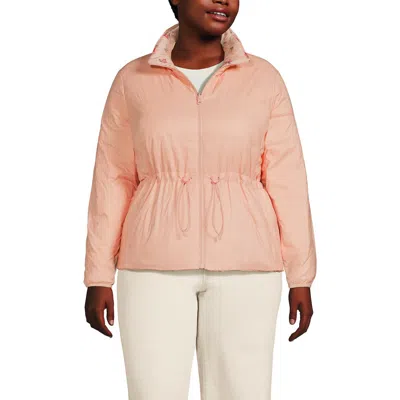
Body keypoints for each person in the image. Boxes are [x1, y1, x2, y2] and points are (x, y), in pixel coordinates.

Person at [84, 0, 317, 398]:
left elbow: (288, 180)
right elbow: (112, 178)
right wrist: (98, 275)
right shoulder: (132, 80)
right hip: (151, 266)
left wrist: (301, 276)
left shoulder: (264, 79)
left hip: (247, 267)